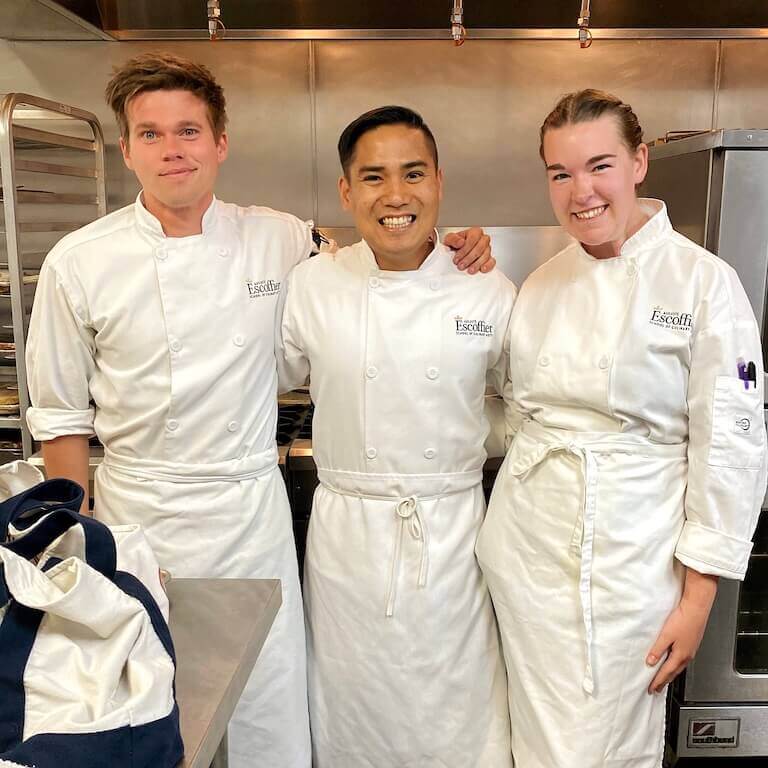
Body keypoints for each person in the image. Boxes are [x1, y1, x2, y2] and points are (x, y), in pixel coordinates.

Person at [23, 56, 495, 768]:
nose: (172, 148)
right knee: (151, 711)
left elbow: (380, 260)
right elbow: (60, 416)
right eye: (150, 135)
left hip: (250, 513)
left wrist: (454, 245)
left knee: (268, 713)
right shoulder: (78, 261)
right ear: (126, 150)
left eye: (189, 129)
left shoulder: (277, 236)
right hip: (137, 516)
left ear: (220, 141)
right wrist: (86, 543)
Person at [476, 88, 768, 768]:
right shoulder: (543, 284)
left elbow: (731, 443)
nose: (581, 192)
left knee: (599, 748)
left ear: (639, 161)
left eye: (599, 165)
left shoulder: (705, 283)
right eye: (560, 173)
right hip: (524, 560)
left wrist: (697, 601)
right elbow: (518, 412)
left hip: (629, 570)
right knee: (527, 742)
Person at [277, 105, 516, 767]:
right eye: (373, 177)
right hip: (348, 540)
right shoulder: (313, 284)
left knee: (456, 712)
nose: (396, 195)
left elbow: (525, 407)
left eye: (413, 173)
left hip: (453, 541)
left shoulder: (487, 288)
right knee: (353, 713)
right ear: (347, 192)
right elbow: (268, 371)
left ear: (439, 180)